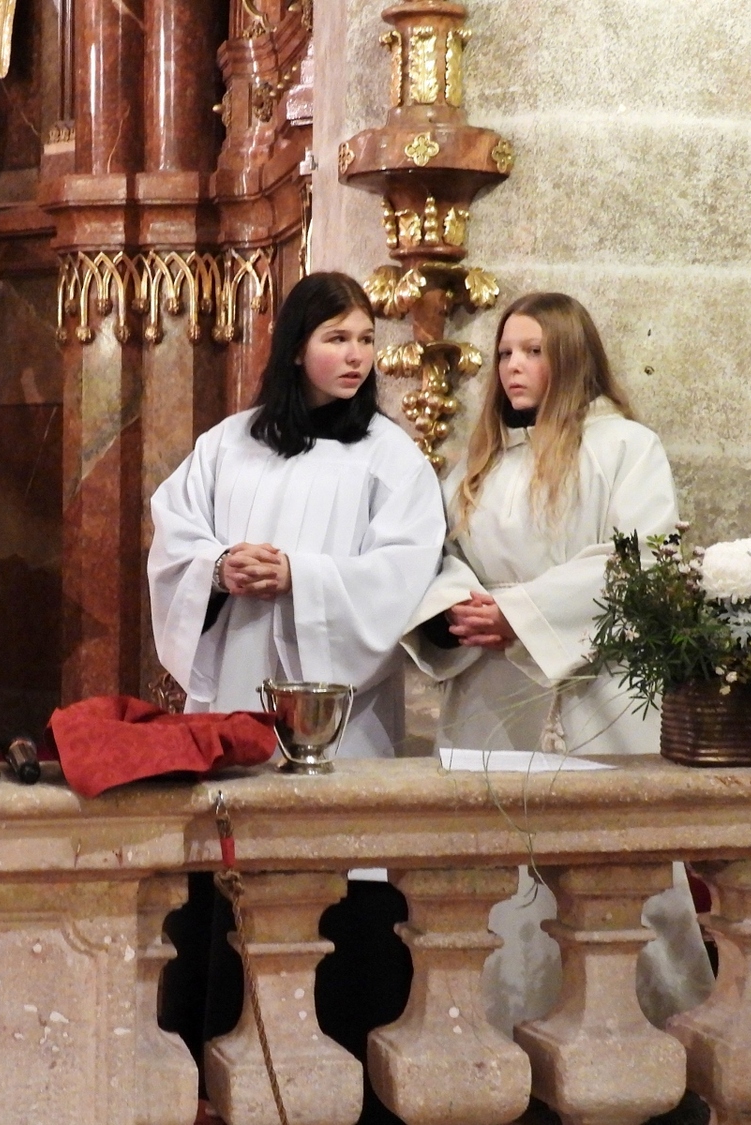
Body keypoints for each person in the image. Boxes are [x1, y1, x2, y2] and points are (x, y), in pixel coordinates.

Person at [147, 272, 446, 1124]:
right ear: (294, 348)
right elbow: (173, 536)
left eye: (366, 339)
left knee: (336, 887)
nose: (357, 356)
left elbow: (406, 572)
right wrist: (217, 567)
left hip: (345, 722)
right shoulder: (229, 444)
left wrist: (302, 576)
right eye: (336, 338)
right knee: (230, 887)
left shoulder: (390, 456)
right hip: (238, 701)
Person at [401, 291, 712, 1030]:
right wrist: (459, 609)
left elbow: (641, 561)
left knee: (614, 877)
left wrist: (524, 613)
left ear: (570, 357)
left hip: (596, 696)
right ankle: (495, 1032)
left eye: (533, 351)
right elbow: (437, 556)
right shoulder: (480, 465)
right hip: (491, 695)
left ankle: (637, 1031)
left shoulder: (625, 447)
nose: (513, 366)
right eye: (506, 352)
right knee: (497, 882)